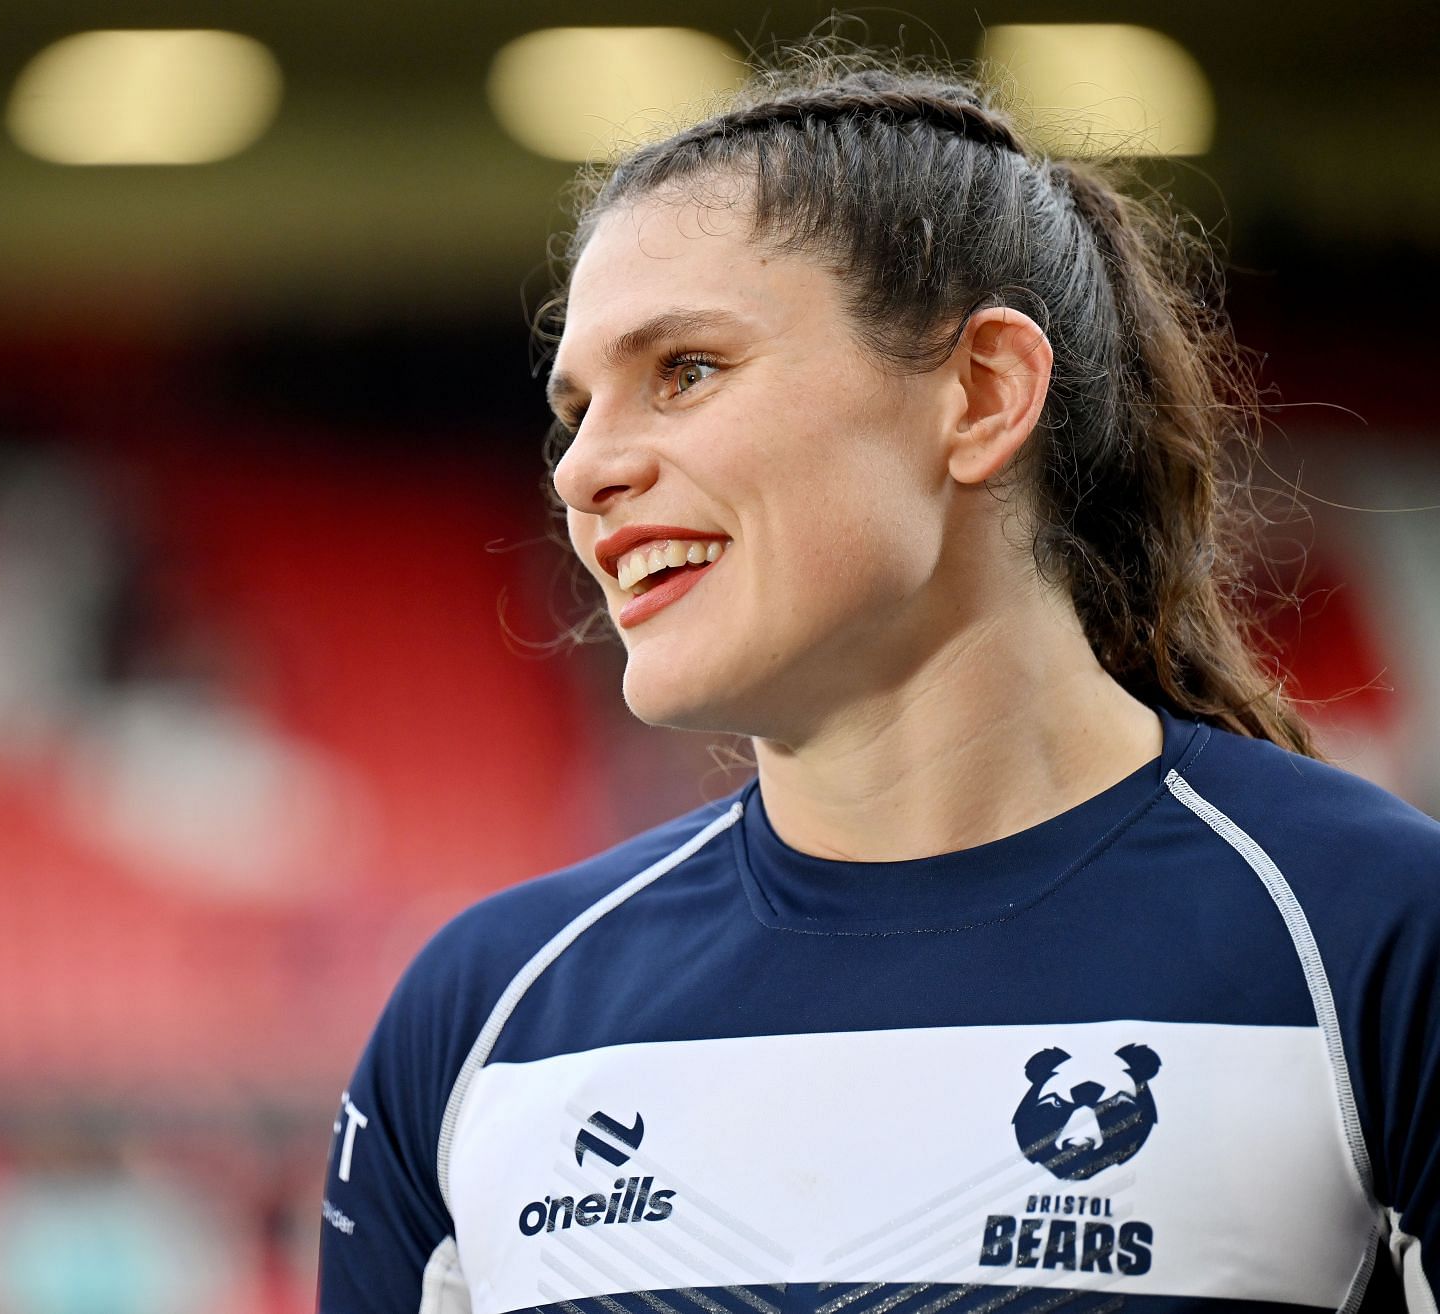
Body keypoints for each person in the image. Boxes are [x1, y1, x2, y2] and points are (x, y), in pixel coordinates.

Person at [317, 44, 1440, 1314]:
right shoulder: (481, 1024)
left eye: (683, 371)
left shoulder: (1377, 943)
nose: (582, 473)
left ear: (982, 393)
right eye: (574, 411)